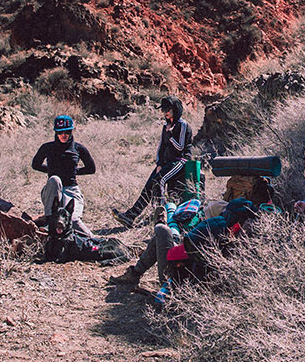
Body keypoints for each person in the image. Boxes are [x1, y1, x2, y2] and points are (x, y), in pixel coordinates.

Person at [114, 96, 194, 227]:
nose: (165, 113)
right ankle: (131, 216)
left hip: (181, 160)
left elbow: (180, 147)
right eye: (163, 110)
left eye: (167, 109)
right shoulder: (166, 126)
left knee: (159, 181)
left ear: (175, 109)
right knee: (149, 185)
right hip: (167, 162)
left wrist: (171, 135)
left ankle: (160, 216)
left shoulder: (183, 125)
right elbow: (161, 146)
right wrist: (159, 164)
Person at [107, 199, 201, 288]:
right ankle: (135, 273)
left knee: (162, 230)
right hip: (186, 273)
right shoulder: (211, 226)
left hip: (178, 280)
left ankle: (135, 273)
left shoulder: (209, 227)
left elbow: (188, 251)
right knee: (161, 236)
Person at [31, 115, 97, 237]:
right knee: (55, 179)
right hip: (53, 191)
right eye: (60, 132)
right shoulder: (47, 147)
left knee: (73, 220)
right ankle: (49, 218)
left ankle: (97, 242)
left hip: (71, 190)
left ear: (71, 131)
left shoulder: (78, 148)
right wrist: (51, 171)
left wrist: (73, 171)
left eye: (67, 132)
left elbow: (91, 169)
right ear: (56, 132)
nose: (64, 135)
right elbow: (35, 165)